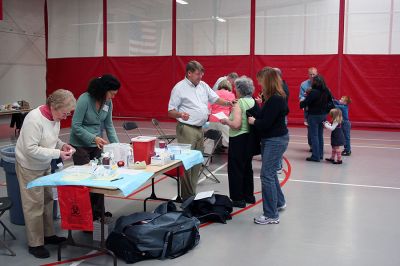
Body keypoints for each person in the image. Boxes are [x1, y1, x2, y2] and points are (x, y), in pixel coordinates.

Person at [15, 89, 76, 258]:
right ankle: (35, 243)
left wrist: (61, 145)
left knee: (48, 200)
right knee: (33, 205)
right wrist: (57, 154)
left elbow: (51, 139)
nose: (65, 117)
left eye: (68, 114)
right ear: (54, 107)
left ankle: (48, 235)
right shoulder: (34, 119)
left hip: (44, 164)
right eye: (64, 113)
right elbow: (30, 148)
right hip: (29, 166)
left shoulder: (54, 117)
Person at [168, 60, 233, 200]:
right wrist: (180, 114)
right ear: (189, 73)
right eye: (198, 74)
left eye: (202, 73)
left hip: (200, 128)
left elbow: (215, 99)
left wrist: (228, 102)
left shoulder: (203, 85)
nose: (201, 76)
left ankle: (192, 193)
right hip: (186, 128)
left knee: (197, 162)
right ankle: (187, 196)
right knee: (187, 163)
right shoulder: (179, 88)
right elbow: (170, 111)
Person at [70, 74, 120, 220]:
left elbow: (109, 125)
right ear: (103, 89)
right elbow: (75, 126)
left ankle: (98, 213)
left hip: (97, 145)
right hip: (80, 147)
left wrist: (117, 146)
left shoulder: (108, 103)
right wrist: (93, 137)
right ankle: (87, 218)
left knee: (100, 180)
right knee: (86, 182)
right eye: (112, 93)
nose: (113, 97)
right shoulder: (84, 99)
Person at [248, 67, 289, 225]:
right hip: (274, 138)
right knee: (270, 174)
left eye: (260, 80)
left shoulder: (275, 99)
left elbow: (265, 123)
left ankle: (271, 214)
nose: (259, 83)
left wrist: (254, 121)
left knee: (266, 175)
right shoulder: (274, 97)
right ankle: (278, 202)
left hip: (275, 139)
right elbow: (270, 116)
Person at [220, 76, 256, 208]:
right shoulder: (252, 101)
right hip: (249, 138)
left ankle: (237, 199)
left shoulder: (238, 104)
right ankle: (249, 195)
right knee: (247, 168)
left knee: (235, 169)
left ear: (240, 89)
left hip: (238, 139)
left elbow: (236, 125)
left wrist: (226, 121)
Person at [300, 74, 331, 162]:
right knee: (320, 135)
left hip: (314, 116)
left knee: (314, 136)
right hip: (323, 115)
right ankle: (320, 154)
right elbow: (331, 102)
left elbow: (304, 103)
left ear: (315, 82)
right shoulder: (327, 91)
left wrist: (304, 97)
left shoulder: (313, 92)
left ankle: (315, 156)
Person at [208, 79, 236, 147]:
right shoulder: (231, 95)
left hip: (213, 118)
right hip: (224, 119)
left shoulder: (214, 93)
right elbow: (232, 108)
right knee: (228, 139)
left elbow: (208, 106)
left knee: (211, 139)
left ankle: (210, 153)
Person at [300, 67, 317, 151]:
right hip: (308, 110)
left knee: (318, 130)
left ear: (317, 74)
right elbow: (301, 97)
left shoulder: (320, 83)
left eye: (314, 74)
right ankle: (311, 145)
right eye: (311, 74)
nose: (312, 76)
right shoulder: (303, 84)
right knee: (310, 129)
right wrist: (303, 104)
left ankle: (317, 146)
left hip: (318, 110)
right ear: (308, 74)